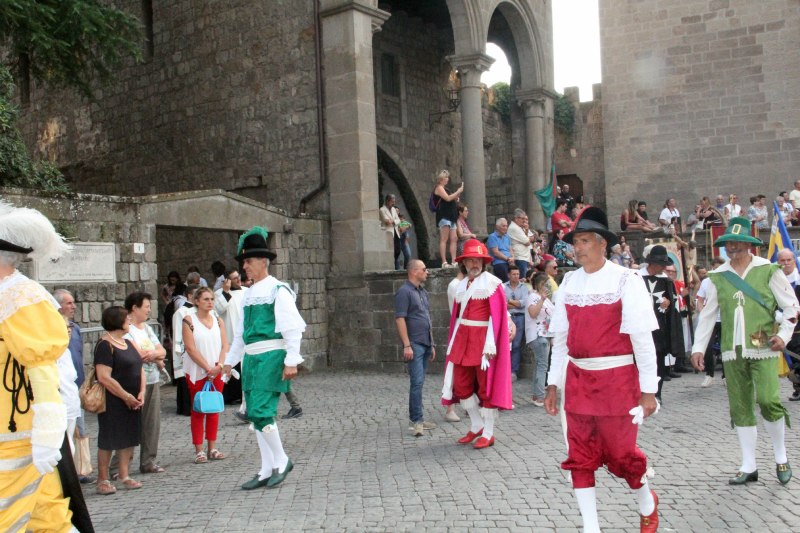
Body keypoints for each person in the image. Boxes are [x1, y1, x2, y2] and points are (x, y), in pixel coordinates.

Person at [543, 206, 660, 533]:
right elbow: (561, 339)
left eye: (582, 241)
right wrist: (553, 385)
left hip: (617, 382)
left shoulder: (626, 280)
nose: (576, 247)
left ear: (601, 244)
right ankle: (590, 528)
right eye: (574, 241)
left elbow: (642, 341)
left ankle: (646, 501)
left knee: (621, 454)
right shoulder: (568, 282)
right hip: (578, 380)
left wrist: (648, 391)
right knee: (579, 454)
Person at [0, 200, 93, 530]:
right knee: (47, 518)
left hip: (19, 434)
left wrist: (47, 433)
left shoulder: (20, 297)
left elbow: (42, 370)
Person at [690, 216, 799, 486]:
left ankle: (781, 456)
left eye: (738, 242)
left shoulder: (768, 270)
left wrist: (783, 336)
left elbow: (792, 308)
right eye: (729, 243)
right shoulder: (718, 276)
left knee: (767, 400)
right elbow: (707, 316)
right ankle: (748, 464)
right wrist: (698, 348)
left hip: (762, 345)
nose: (733, 247)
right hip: (731, 349)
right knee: (739, 406)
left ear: (749, 244)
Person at [224, 227, 306, 489]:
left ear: (263, 261)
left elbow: (292, 327)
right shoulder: (248, 294)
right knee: (255, 415)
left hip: (271, 356)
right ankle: (266, 467)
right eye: (244, 262)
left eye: (248, 261)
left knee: (261, 411)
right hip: (251, 359)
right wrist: (230, 360)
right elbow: (240, 334)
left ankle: (281, 460)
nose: (245, 266)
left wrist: (291, 360)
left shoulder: (277, 290)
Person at [441, 239, 513, 449]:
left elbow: (498, 314)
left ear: (483, 262)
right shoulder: (461, 286)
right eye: (470, 260)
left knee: (485, 387)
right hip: (463, 339)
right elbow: (456, 317)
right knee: (462, 385)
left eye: (478, 260)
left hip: (483, 343)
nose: (474, 264)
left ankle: (488, 432)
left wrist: (492, 343)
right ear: (464, 263)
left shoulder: (493, 283)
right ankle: (476, 425)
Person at [94, 306, 145, 495]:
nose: (130, 322)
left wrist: (141, 392)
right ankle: (103, 478)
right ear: (118, 321)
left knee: (128, 437)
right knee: (108, 438)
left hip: (133, 399)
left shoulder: (128, 343)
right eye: (127, 319)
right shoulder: (105, 345)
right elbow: (104, 376)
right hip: (113, 399)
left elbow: (139, 368)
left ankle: (124, 475)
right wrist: (126, 396)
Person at [54, 288, 96, 484]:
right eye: (68, 303)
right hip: (61, 388)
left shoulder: (76, 328)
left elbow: (78, 358)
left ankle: (81, 468)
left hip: (76, 385)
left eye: (73, 302)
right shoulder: (53, 330)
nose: (73, 306)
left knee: (80, 429)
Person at [182, 287, 228, 464]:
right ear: (197, 301)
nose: (210, 302)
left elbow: (225, 345)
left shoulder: (218, 320)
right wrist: (207, 368)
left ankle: (212, 447)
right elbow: (191, 348)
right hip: (198, 370)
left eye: (212, 299)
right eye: (206, 299)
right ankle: (199, 449)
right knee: (198, 409)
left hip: (216, 369)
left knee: (214, 407)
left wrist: (220, 365)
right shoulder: (189, 321)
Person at [124, 291, 167, 474]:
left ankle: (148, 460)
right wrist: (154, 356)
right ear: (135, 308)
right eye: (146, 307)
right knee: (130, 423)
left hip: (152, 379)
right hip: (133, 380)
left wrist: (154, 356)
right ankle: (120, 465)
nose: (149, 310)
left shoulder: (147, 328)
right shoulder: (126, 327)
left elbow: (161, 351)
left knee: (151, 423)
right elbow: (136, 353)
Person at [395, 260, 437, 436]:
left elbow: (426, 318)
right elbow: (400, 319)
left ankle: (418, 417)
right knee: (417, 382)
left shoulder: (422, 292)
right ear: (413, 271)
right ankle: (416, 422)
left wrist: (432, 343)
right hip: (414, 344)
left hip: (425, 342)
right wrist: (407, 345)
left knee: (419, 382)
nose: (427, 272)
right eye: (424, 269)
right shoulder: (404, 292)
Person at [640, 245, 685, 401]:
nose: (664, 269)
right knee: (640, 360)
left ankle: (656, 394)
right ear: (653, 264)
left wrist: (667, 305)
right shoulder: (636, 278)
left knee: (658, 360)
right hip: (640, 327)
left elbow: (672, 307)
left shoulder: (665, 281)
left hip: (659, 328)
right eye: (662, 265)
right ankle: (639, 393)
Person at [216, 268, 246, 406]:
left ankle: (243, 394)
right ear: (227, 281)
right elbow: (219, 309)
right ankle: (230, 396)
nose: (238, 280)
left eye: (238, 276)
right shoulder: (219, 294)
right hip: (229, 337)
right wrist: (226, 292)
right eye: (234, 278)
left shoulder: (246, 291)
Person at [696, 257, 726, 387]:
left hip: (725, 318)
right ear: (712, 267)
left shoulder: (728, 281)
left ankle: (726, 375)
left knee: (726, 347)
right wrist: (703, 313)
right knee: (707, 346)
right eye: (715, 267)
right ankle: (709, 374)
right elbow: (700, 299)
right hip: (711, 318)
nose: (717, 270)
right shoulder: (706, 282)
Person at [526, 272, 554, 407]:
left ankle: (536, 395)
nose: (548, 286)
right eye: (546, 283)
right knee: (542, 365)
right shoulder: (533, 297)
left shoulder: (546, 299)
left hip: (545, 335)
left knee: (539, 365)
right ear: (540, 284)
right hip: (538, 335)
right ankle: (540, 397)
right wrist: (542, 300)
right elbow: (532, 314)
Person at [172, 281, 199, 416]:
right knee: (185, 377)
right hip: (185, 349)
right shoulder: (181, 312)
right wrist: (180, 350)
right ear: (189, 295)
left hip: (198, 348)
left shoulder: (200, 311)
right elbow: (178, 331)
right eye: (196, 294)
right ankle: (185, 407)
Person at [776, 248, 800, 401]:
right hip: (783, 328)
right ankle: (797, 388)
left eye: (788, 260)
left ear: (793, 261)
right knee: (791, 361)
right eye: (782, 261)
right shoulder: (775, 280)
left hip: (799, 327)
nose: (786, 263)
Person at [433, 170, 464, 267]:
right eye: (446, 177)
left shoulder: (446, 189)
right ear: (441, 179)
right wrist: (458, 191)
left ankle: (454, 261)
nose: (447, 179)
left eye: (448, 177)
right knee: (444, 238)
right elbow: (447, 198)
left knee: (454, 238)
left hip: (451, 216)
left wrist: (457, 195)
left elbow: (452, 198)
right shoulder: (439, 188)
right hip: (444, 215)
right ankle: (444, 262)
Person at [504, 264, 528, 381]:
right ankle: (505, 369)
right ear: (508, 275)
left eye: (518, 274)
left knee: (517, 345)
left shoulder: (524, 287)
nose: (516, 276)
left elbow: (523, 303)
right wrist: (515, 303)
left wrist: (509, 301)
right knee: (506, 344)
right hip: (507, 317)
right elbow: (503, 304)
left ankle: (513, 371)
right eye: (513, 274)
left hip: (520, 317)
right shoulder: (503, 287)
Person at [379, 194, 403, 270]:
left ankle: (396, 267)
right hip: (388, 233)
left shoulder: (393, 209)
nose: (394, 203)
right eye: (392, 201)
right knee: (390, 252)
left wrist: (393, 221)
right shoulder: (382, 209)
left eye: (394, 201)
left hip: (396, 232)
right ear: (387, 201)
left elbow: (398, 220)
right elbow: (386, 221)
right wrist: (393, 221)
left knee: (397, 250)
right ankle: (393, 268)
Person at [508, 209, 534, 279]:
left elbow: (531, 239)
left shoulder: (519, 227)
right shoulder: (514, 228)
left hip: (524, 257)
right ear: (516, 218)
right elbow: (528, 242)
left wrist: (526, 231)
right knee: (522, 280)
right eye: (522, 218)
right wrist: (528, 239)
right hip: (520, 258)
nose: (524, 221)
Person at [487, 217, 513, 283]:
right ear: (497, 227)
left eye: (506, 226)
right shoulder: (492, 237)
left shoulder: (507, 237)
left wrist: (513, 257)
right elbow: (496, 252)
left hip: (510, 261)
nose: (505, 228)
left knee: (516, 275)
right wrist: (507, 259)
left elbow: (511, 249)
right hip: (499, 262)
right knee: (507, 280)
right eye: (503, 226)